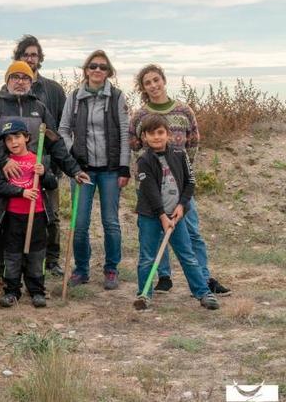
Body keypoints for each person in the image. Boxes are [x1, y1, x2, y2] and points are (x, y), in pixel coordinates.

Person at [0, 61, 89, 298]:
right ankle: (0, 279)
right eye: (15, 77)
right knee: (1, 229)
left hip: (35, 180)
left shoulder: (40, 108)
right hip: (1, 180)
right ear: (7, 80)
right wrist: (4, 161)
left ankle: (32, 281)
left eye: (25, 78)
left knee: (38, 228)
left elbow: (55, 142)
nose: (20, 81)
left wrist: (74, 170)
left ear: (32, 81)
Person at [128, 64, 230, 296]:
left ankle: (203, 279)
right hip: (151, 185)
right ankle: (164, 276)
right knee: (157, 230)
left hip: (181, 187)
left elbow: (193, 144)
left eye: (156, 80)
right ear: (143, 88)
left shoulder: (184, 111)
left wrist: (183, 176)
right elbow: (135, 148)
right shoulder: (140, 116)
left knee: (191, 232)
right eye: (148, 83)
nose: (153, 85)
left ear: (164, 80)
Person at [58, 50, 130, 290]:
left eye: (102, 67)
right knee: (79, 224)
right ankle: (81, 270)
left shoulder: (117, 97)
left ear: (109, 71)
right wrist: (74, 153)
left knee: (110, 222)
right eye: (93, 66)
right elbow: (63, 130)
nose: (97, 70)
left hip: (110, 170)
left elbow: (124, 134)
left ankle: (111, 270)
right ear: (86, 70)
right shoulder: (74, 98)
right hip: (83, 171)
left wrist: (124, 168)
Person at [133, 114, 219, 311]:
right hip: (151, 216)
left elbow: (190, 183)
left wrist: (181, 206)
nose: (156, 137)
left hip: (176, 215)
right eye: (151, 134)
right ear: (144, 137)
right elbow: (151, 192)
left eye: (160, 132)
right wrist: (162, 216)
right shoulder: (144, 160)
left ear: (168, 134)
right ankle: (144, 294)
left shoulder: (180, 155)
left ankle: (203, 293)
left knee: (187, 254)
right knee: (147, 257)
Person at [14, 35, 68, 276]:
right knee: (22, 212)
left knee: (52, 214)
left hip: (47, 163)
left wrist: (59, 163)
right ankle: (24, 258)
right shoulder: (10, 89)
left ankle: (53, 259)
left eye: (34, 54)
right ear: (18, 58)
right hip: (19, 167)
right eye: (26, 54)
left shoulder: (53, 90)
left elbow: (62, 128)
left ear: (40, 58)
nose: (30, 58)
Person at [0, 120, 58, 308]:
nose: (14, 142)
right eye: (9, 139)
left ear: (27, 138)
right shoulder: (5, 163)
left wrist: (44, 173)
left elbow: (53, 184)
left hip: (36, 216)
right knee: (12, 254)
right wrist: (21, 192)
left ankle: (36, 290)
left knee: (36, 254)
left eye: (18, 137)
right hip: (12, 216)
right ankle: (12, 291)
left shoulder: (39, 160)